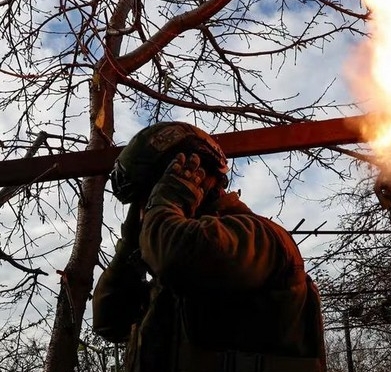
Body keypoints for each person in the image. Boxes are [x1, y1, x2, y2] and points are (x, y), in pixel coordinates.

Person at [92, 121, 326, 372]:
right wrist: (129, 247)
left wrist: (168, 202)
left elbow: (176, 257)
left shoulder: (256, 236)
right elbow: (110, 322)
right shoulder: (171, 280)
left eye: (152, 198)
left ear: (193, 174)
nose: (146, 212)